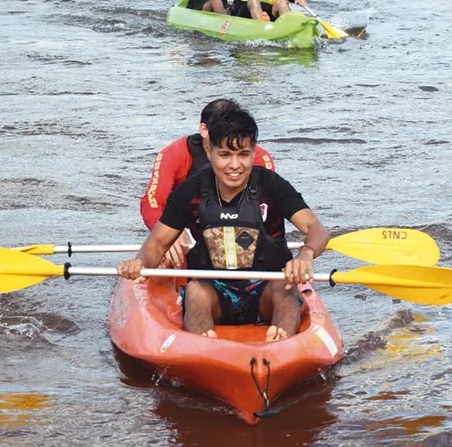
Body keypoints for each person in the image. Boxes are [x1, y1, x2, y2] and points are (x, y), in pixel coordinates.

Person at [120, 106, 329, 342]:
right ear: (210, 151)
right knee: (195, 291)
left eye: (243, 154)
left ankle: (282, 344)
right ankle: (203, 345)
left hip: (266, 291)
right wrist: (139, 263)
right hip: (213, 292)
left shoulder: (272, 185)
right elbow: (157, 244)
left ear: (253, 152)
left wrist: (305, 254)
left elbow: (317, 230)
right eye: (225, 155)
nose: (235, 165)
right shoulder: (191, 191)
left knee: (285, 288)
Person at [140, 99, 275, 264]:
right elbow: (152, 199)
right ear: (204, 130)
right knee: (167, 261)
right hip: (187, 229)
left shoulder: (259, 157)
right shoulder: (174, 154)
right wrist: (170, 236)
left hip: (243, 229)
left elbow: (270, 209)